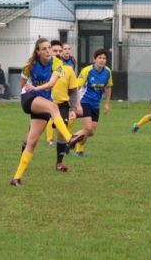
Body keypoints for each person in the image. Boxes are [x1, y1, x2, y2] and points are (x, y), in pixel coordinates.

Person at [10, 38, 84, 187]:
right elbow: (23, 82)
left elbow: (51, 83)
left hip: (42, 99)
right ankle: (69, 139)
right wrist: (29, 90)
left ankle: (16, 178)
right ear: (37, 51)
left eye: (49, 48)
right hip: (29, 98)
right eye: (44, 48)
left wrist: (37, 88)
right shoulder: (29, 65)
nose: (48, 51)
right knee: (54, 107)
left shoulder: (57, 63)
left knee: (32, 142)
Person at [43, 40, 79, 171]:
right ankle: (23, 158)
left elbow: (73, 91)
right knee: (32, 135)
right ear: (49, 51)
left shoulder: (68, 70)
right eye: (55, 51)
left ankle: (59, 163)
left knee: (61, 133)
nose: (58, 53)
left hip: (62, 105)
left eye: (60, 51)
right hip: (44, 104)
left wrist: (74, 108)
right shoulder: (43, 68)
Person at [73, 48, 113, 157]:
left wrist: (106, 103)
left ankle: (72, 140)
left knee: (91, 132)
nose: (102, 60)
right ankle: (76, 148)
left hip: (96, 104)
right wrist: (78, 104)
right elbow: (77, 88)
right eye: (99, 58)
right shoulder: (87, 71)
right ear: (94, 59)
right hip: (84, 102)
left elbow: (109, 87)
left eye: (104, 58)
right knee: (88, 128)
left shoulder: (107, 72)